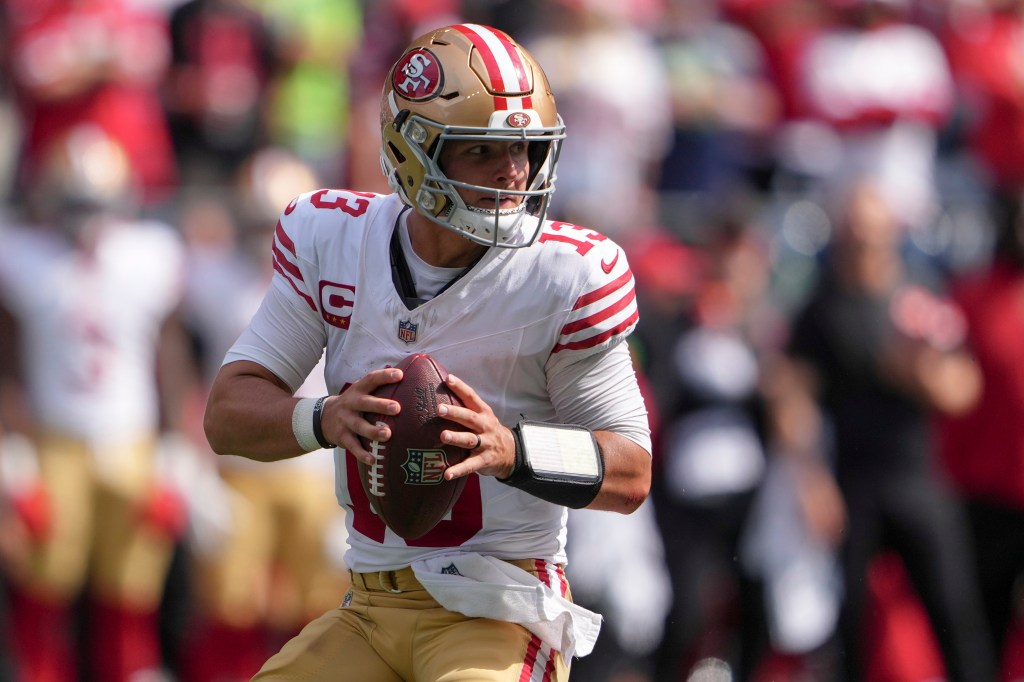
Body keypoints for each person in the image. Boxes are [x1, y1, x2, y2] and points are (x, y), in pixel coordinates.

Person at [202, 23, 652, 682]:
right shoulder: (334, 240)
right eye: (483, 151)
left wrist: (512, 450)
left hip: (499, 607)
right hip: (368, 605)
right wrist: (323, 417)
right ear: (415, 151)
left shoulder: (565, 274)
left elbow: (631, 470)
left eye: (527, 147)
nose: (515, 171)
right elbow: (228, 411)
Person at [766, 175, 997, 682]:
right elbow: (792, 398)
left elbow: (965, 388)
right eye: (853, 235)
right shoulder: (823, 309)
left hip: (918, 478)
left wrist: (923, 374)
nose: (861, 246)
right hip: (855, 481)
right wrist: (811, 480)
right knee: (849, 623)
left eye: (870, 235)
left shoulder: (919, 299)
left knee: (954, 613)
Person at [0, 125, 191, 682]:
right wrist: (13, 453)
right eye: (73, 203)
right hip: (54, 440)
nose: (85, 217)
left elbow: (170, 355)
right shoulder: (22, 255)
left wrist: (173, 449)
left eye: (95, 203)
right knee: (44, 589)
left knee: (132, 591)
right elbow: (6, 361)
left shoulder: (150, 255)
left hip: (131, 440)